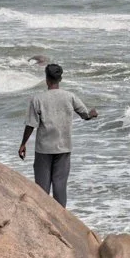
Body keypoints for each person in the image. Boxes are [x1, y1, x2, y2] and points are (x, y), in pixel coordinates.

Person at [18, 63, 97, 206]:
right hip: (64, 148)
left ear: (47, 79)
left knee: (42, 189)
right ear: (60, 79)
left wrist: (23, 144)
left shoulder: (38, 99)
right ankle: (60, 222)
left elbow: (31, 124)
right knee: (60, 187)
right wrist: (92, 114)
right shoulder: (70, 97)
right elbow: (85, 115)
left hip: (44, 149)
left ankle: (43, 220)